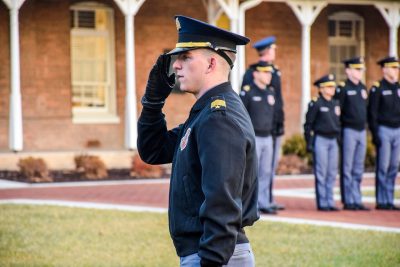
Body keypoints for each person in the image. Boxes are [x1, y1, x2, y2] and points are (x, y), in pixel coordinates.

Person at [137, 15, 259, 266]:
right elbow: (153, 150)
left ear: (212, 63)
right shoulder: (206, 113)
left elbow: (222, 203)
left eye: (186, 57)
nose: (176, 65)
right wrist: (153, 102)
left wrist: (211, 260)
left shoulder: (219, 118)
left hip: (215, 255)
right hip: (209, 252)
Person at [241, 36, 285, 211]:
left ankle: (267, 199)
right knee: (255, 169)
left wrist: (279, 122)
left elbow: (277, 101)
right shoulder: (251, 73)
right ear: (267, 51)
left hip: (271, 126)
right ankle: (254, 203)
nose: (274, 52)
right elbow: (246, 104)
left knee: (268, 167)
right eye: (273, 49)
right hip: (256, 129)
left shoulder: (275, 71)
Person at [240, 62, 277, 215]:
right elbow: (241, 116)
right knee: (251, 173)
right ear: (256, 74)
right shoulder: (247, 92)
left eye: (270, 73)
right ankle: (249, 205)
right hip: (253, 138)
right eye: (265, 73)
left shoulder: (270, 92)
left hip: (268, 137)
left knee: (266, 172)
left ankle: (263, 202)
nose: (269, 76)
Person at [335, 57, 370, 211]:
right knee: (347, 168)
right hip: (348, 130)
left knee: (358, 168)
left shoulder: (363, 88)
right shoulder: (343, 89)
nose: (360, 72)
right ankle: (348, 199)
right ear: (348, 70)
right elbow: (337, 113)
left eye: (361, 69)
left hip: (361, 131)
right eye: (357, 69)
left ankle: (357, 198)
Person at [304, 74, 341, 211]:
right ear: (321, 88)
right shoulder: (316, 103)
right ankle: (322, 203)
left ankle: (330, 201)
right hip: (321, 140)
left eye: (333, 86)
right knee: (322, 173)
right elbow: (308, 125)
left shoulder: (335, 103)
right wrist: (309, 142)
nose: (333, 89)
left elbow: (338, 123)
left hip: (333, 141)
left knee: (332, 173)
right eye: (329, 86)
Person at [367, 56, 400, 211]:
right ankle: (381, 200)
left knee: (394, 166)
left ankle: (389, 199)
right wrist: (375, 134)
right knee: (383, 166)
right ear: (385, 69)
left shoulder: (398, 88)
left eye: (397, 68)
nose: (396, 71)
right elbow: (372, 113)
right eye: (393, 68)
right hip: (384, 130)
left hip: (397, 130)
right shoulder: (378, 88)